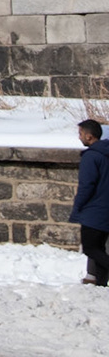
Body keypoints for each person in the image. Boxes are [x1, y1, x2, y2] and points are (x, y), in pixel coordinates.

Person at [72, 119, 109, 285]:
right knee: (99, 248)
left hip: (94, 211)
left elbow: (86, 185)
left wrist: (78, 206)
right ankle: (101, 284)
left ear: (89, 136)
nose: (79, 137)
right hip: (105, 209)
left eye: (80, 133)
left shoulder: (91, 156)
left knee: (90, 248)